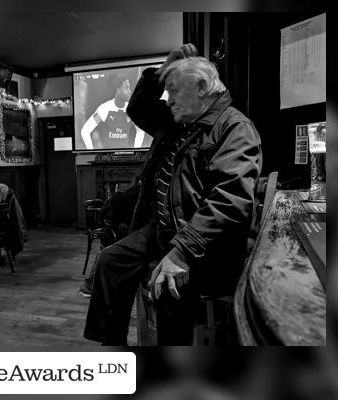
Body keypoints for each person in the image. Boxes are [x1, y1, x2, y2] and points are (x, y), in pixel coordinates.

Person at [83, 43, 263, 345]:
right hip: (164, 229)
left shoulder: (234, 127)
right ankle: (112, 345)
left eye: (175, 91)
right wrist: (163, 70)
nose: (169, 100)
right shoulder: (180, 121)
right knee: (110, 260)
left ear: (202, 88)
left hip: (206, 243)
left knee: (168, 286)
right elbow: (137, 108)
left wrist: (181, 252)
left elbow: (230, 200)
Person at [80, 73, 145, 150]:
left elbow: (141, 131)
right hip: (108, 158)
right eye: (126, 88)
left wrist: (135, 151)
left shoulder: (132, 109)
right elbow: (85, 131)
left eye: (129, 88)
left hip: (126, 158)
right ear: (118, 90)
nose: (130, 92)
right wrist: (91, 152)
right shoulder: (105, 109)